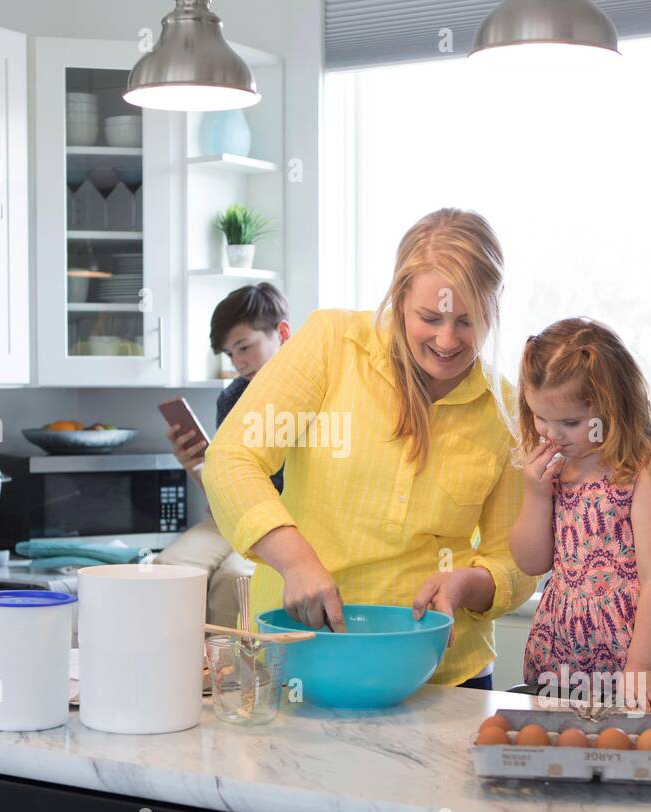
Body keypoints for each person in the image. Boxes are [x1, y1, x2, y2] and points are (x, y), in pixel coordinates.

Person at [203, 209, 536, 689]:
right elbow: (233, 457)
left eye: (469, 320)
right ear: (400, 299)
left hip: (443, 678)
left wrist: (472, 583)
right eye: (430, 317)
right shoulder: (332, 344)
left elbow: (517, 558)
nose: (447, 339)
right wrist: (295, 560)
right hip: (303, 662)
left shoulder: (506, 409)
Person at [510, 317, 651, 714]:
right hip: (568, 653)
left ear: (612, 407)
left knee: (648, 756)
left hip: (638, 649)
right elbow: (531, 561)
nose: (552, 435)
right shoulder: (554, 469)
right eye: (540, 418)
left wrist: (641, 666)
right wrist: (536, 494)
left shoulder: (644, 471)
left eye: (570, 423)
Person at [155, 284, 290, 626]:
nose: (239, 362)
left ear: (283, 333)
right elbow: (223, 495)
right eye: (230, 355)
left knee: (234, 580)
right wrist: (197, 466)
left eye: (245, 347)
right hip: (233, 517)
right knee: (168, 571)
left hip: (286, 520)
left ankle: (233, 676)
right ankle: (178, 671)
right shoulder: (231, 399)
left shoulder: (313, 393)